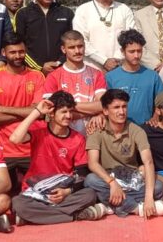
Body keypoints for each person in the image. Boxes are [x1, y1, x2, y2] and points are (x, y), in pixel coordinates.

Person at [8, 91, 108, 224]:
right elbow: (14, 139)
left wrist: (67, 191)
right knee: (18, 203)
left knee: (90, 194)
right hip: (36, 191)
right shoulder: (39, 130)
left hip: (63, 190)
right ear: (51, 113)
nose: (69, 116)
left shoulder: (77, 139)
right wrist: (37, 111)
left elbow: (82, 174)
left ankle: (35, 216)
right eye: (63, 112)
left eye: (70, 111)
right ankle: (76, 216)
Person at [84, 89, 163, 218]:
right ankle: (137, 208)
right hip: (108, 179)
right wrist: (112, 183)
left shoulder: (136, 130)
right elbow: (93, 164)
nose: (122, 112)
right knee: (90, 180)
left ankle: (111, 206)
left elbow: (148, 162)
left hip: (132, 180)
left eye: (124, 106)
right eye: (116, 107)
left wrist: (149, 198)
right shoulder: (96, 130)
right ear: (105, 110)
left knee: (158, 187)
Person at [0, 34, 46, 194]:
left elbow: (41, 113)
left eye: (21, 51)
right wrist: (30, 111)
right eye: (13, 52)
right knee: (3, 197)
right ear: (4, 52)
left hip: (33, 147)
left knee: (38, 195)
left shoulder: (37, 76)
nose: (18, 56)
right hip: (2, 149)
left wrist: (2, 108)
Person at [72, 0, 137, 72]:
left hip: (121, 68)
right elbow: (81, 40)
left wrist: (116, 60)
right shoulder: (83, 10)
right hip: (91, 69)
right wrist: (104, 61)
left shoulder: (124, 9)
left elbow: (132, 37)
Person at [44, 31, 107, 134]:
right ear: (63, 49)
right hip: (63, 136)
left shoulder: (97, 74)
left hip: (91, 135)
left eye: (80, 46)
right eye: (72, 47)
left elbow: (102, 105)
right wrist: (92, 111)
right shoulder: (53, 77)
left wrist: (67, 106)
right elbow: (52, 111)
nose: (77, 51)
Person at [105, 30, 163, 125]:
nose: (136, 55)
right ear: (122, 51)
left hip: (146, 128)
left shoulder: (152, 76)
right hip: (120, 128)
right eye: (132, 51)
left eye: (139, 51)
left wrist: (156, 116)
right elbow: (104, 105)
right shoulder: (111, 77)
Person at [16, 0, 74, 75]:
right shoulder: (23, 14)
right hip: (33, 72)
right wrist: (40, 66)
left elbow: (72, 42)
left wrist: (60, 62)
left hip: (62, 69)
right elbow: (19, 45)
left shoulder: (67, 13)